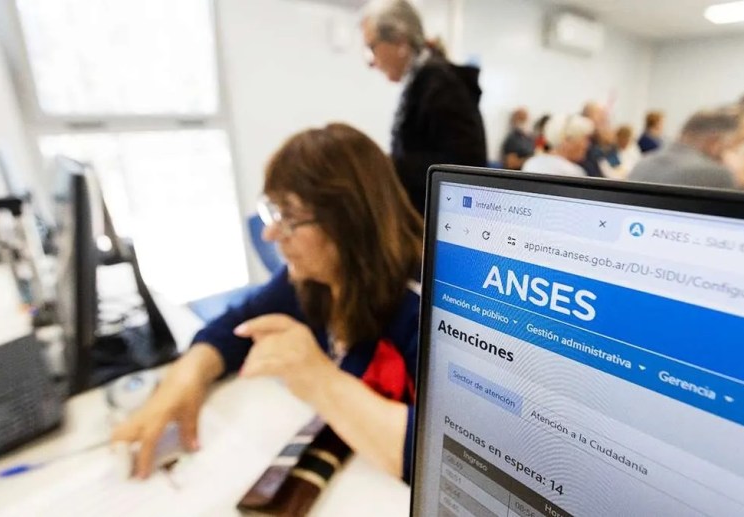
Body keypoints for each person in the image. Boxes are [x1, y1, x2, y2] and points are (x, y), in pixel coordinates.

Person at [112, 123, 424, 482]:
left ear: (349, 221)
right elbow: (234, 328)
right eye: (273, 211)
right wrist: (185, 376)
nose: (270, 233)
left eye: (289, 216)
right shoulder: (307, 280)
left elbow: (443, 452)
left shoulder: (425, 310)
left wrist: (319, 380)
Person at [360, 0, 487, 214]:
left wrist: (387, 165)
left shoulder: (440, 84)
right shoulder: (423, 81)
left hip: (442, 219)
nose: (371, 62)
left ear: (400, 42)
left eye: (372, 47)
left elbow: (465, 166)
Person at [628, 109, 743, 189]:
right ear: (714, 142)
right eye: (731, 147)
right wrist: (740, 179)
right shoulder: (716, 174)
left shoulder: (643, 163)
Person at [521, 115, 592, 177]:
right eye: (585, 139)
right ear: (567, 140)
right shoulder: (574, 172)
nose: (588, 145)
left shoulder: (531, 163)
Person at [578, 101, 621, 178]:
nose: (604, 118)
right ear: (587, 117)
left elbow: (615, 164)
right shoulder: (581, 140)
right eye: (599, 114)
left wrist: (608, 144)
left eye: (604, 115)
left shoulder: (605, 142)